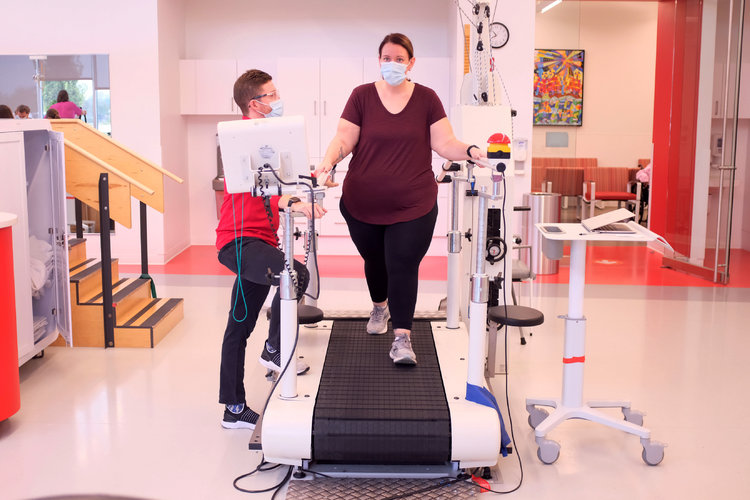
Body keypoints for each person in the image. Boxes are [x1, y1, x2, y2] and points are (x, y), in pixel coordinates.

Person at [315, 33, 487, 366]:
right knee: (375, 262)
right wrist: (328, 161)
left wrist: (469, 150)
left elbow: (445, 142)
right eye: (386, 58)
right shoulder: (362, 96)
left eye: (398, 58)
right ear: (378, 61)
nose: (391, 64)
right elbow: (344, 137)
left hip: (414, 203)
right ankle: (380, 306)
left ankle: (402, 339)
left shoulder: (426, 98)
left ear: (411, 63)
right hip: (362, 201)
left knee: (402, 264)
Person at [216, 69, 327, 430]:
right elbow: (257, 189)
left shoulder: (272, 141)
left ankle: (233, 408)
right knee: (294, 274)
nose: (277, 101)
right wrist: (293, 203)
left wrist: (306, 190)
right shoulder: (237, 143)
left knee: (237, 328)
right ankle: (275, 349)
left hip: (259, 244)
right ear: (255, 103)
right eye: (271, 95)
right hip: (238, 243)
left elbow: (281, 182)